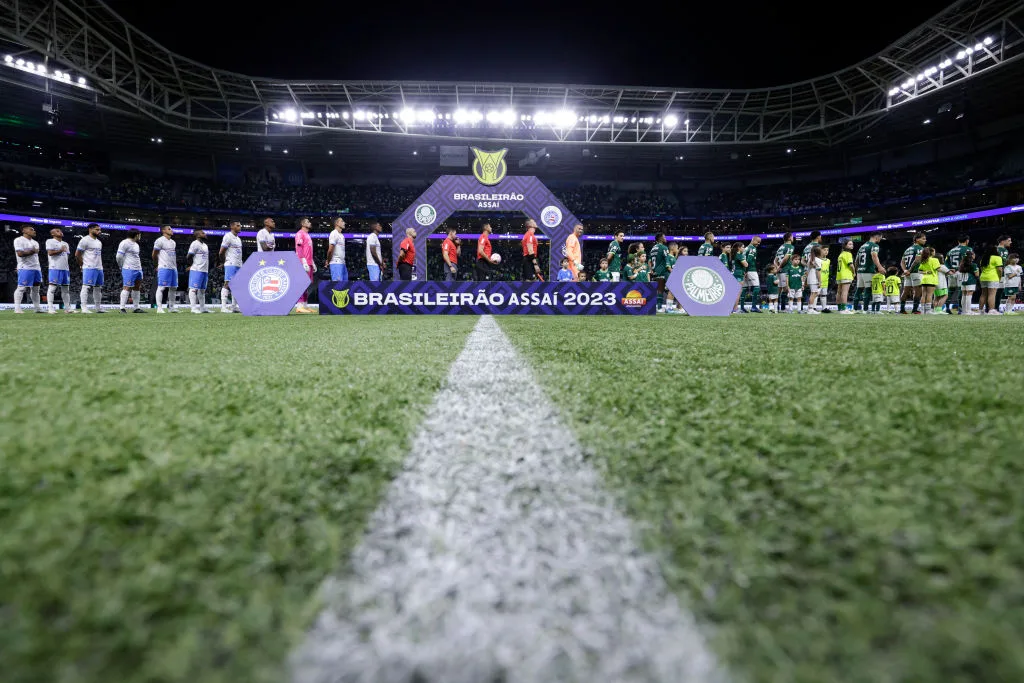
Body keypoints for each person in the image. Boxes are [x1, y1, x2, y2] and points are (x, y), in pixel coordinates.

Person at [13, 224, 43, 314]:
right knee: (21, 288)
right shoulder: (19, 240)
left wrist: (32, 252)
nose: (34, 231)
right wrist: (32, 251)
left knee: (36, 289)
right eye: (31, 229)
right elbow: (20, 254)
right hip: (25, 267)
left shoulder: (35, 242)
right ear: (24, 231)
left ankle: (37, 308)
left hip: (36, 268)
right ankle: (17, 308)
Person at [853, 231, 885, 313]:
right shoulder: (874, 246)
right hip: (868, 270)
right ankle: (865, 310)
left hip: (860, 271)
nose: (880, 240)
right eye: (880, 238)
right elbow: (874, 256)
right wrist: (880, 267)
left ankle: (855, 309)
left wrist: (856, 271)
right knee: (868, 290)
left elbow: (856, 260)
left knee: (859, 290)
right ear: (876, 237)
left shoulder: (862, 246)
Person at [76, 223, 105, 313]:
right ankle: (84, 308)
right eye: (97, 229)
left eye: (99, 230)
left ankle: (98, 308)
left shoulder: (99, 242)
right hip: (89, 267)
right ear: (90, 229)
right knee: (86, 287)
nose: (99, 231)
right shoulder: (84, 240)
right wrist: (81, 265)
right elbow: (77, 254)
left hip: (99, 267)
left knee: (98, 288)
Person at [115, 229, 145, 313]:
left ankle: (136, 308)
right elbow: (118, 257)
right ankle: (122, 308)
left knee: (137, 288)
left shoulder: (136, 244)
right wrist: (121, 266)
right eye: (139, 234)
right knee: (127, 287)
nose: (140, 236)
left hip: (138, 268)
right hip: (128, 268)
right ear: (136, 235)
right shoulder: (124, 243)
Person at [152, 225, 178, 313]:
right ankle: (159, 308)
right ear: (163, 230)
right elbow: (154, 255)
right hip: (164, 267)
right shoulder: (159, 240)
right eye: (169, 229)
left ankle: (171, 307)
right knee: (161, 287)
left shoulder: (173, 242)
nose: (171, 230)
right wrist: (157, 265)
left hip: (173, 268)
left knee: (173, 288)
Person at [45, 228, 72, 314]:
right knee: (52, 288)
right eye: (57, 231)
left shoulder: (65, 244)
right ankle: (50, 308)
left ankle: (67, 308)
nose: (60, 232)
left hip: (65, 268)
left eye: (60, 231)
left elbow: (67, 256)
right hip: (54, 267)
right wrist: (60, 250)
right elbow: (50, 253)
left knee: (66, 289)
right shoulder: (50, 241)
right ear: (52, 234)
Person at [219, 221, 243, 313]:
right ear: (232, 227)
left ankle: (234, 306)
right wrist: (224, 261)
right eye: (238, 225)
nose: (240, 227)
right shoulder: (228, 236)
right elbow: (221, 252)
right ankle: (223, 307)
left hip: (238, 264)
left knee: (236, 286)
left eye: (240, 225)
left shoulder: (238, 239)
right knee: (227, 284)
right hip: (231, 264)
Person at [899, 231, 927, 314]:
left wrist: (905, 270)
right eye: (923, 239)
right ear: (917, 240)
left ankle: (902, 309)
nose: (925, 240)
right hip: (916, 272)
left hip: (908, 273)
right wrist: (910, 270)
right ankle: (915, 309)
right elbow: (917, 260)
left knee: (905, 291)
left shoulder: (907, 249)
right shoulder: (920, 249)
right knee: (917, 291)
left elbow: (902, 262)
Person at [944, 234, 972, 313]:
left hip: (952, 272)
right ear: (967, 241)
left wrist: (950, 269)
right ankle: (960, 309)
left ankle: (947, 308)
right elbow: (969, 261)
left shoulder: (951, 250)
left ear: (958, 241)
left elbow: (946, 262)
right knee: (961, 290)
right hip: (962, 272)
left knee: (950, 291)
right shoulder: (968, 249)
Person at [294, 218, 316, 314]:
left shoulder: (307, 235)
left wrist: (312, 262)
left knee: (307, 284)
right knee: (302, 284)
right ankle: (299, 306)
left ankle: (305, 305)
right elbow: (299, 248)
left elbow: (309, 251)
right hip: (303, 262)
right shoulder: (300, 233)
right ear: (302, 224)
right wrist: (303, 261)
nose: (310, 223)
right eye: (308, 222)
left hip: (309, 262)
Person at [186, 229, 210, 314]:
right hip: (196, 270)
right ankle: (193, 308)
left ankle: (202, 308)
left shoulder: (205, 245)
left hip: (204, 270)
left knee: (202, 290)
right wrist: (192, 265)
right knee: (193, 289)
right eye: (203, 233)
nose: (205, 234)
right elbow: (188, 256)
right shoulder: (195, 244)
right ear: (198, 235)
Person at [978, 244, 1004, 315]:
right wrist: (1000, 277)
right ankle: (991, 310)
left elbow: (981, 269)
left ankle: (980, 310)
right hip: (993, 277)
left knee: (983, 294)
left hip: (983, 277)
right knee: (992, 295)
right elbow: (1000, 270)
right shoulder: (997, 258)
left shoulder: (983, 258)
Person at [649, 233, 671, 310]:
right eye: (664, 237)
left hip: (656, 271)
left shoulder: (653, 248)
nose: (666, 238)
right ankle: (669, 308)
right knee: (671, 289)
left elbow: (649, 261)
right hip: (663, 271)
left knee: (660, 290)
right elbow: (667, 259)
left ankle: (659, 307)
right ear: (660, 239)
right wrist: (670, 269)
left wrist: (651, 269)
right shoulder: (663, 247)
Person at [774, 233, 795, 311]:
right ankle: (782, 307)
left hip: (780, 270)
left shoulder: (781, 247)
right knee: (786, 289)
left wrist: (777, 267)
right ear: (789, 238)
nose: (793, 238)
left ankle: (777, 307)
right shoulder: (790, 246)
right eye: (792, 237)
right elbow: (786, 258)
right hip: (785, 270)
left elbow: (775, 260)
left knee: (779, 289)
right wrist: (779, 267)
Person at [835, 239, 854, 313]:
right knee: (845, 292)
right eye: (849, 244)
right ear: (845, 245)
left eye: (852, 244)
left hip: (839, 275)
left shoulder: (841, 254)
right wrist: (854, 272)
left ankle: (840, 308)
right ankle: (844, 309)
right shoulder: (848, 254)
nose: (852, 245)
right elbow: (851, 265)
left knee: (839, 292)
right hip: (846, 275)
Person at [743, 236, 762, 313]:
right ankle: (753, 307)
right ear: (753, 240)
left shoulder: (746, 248)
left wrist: (744, 270)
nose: (759, 243)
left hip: (745, 270)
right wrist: (746, 270)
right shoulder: (752, 249)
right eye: (757, 241)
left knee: (744, 288)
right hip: (751, 270)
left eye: (760, 242)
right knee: (757, 287)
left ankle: (741, 308)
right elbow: (749, 260)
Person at [326, 217, 348, 282]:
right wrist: (328, 260)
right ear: (337, 223)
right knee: (337, 287)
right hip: (336, 263)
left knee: (345, 287)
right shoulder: (333, 233)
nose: (344, 223)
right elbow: (330, 250)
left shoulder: (342, 235)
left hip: (343, 263)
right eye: (342, 221)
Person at [995, 235, 1013, 312]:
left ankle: (995, 308)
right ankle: (993, 308)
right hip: (997, 273)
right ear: (1003, 241)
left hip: (1000, 273)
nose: (1010, 242)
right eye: (1009, 240)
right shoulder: (1000, 250)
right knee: (996, 292)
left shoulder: (1002, 249)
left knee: (998, 292)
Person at [804, 245, 823, 314]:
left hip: (810, 278)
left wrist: (806, 280)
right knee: (813, 294)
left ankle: (810, 308)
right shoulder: (818, 260)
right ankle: (810, 309)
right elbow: (818, 272)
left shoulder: (811, 259)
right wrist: (820, 281)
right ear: (819, 252)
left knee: (814, 293)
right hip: (814, 279)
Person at [730, 241, 748, 312]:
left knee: (734, 292)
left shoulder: (734, 255)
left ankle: (732, 308)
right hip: (738, 275)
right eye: (743, 247)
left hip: (734, 273)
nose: (744, 248)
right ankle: (735, 309)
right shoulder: (740, 255)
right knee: (738, 293)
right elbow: (746, 265)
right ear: (738, 248)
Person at [818, 245, 831, 312]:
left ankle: (824, 308)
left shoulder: (828, 260)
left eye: (827, 250)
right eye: (824, 250)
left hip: (825, 280)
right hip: (818, 280)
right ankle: (813, 308)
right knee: (816, 294)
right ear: (820, 250)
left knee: (824, 295)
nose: (826, 251)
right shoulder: (817, 260)